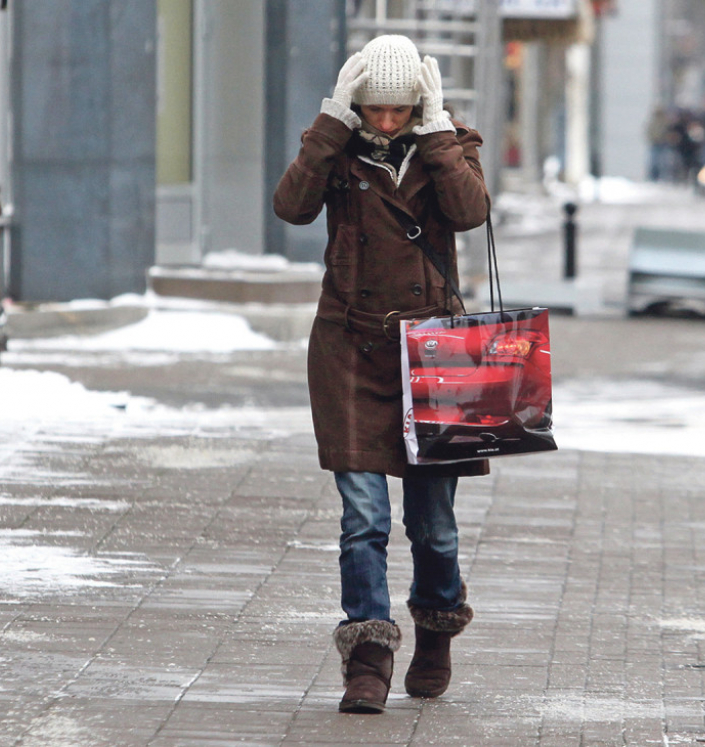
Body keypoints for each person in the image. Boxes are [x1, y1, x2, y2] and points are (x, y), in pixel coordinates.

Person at [273, 35, 487, 714]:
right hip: (351, 350)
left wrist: (437, 133)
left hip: (432, 356)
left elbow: (470, 211)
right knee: (362, 516)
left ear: (417, 103)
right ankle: (367, 654)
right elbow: (290, 206)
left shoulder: (449, 144)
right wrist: (331, 122)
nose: (387, 122)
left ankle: (435, 627)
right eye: (375, 109)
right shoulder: (339, 150)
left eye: (399, 110)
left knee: (434, 526)